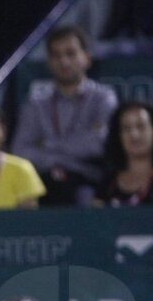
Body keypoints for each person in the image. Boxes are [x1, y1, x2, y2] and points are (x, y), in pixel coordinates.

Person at [10, 24, 117, 206]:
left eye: (70, 53)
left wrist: (47, 145)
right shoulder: (36, 102)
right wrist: (68, 154)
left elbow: (99, 145)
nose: (64, 62)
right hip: (41, 180)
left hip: (86, 179)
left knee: (85, 201)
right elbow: (20, 151)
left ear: (87, 58)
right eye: (56, 55)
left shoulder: (103, 98)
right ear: (49, 62)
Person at [94, 100, 153, 207]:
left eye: (141, 126)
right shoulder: (108, 182)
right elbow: (95, 220)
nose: (134, 135)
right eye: (126, 128)